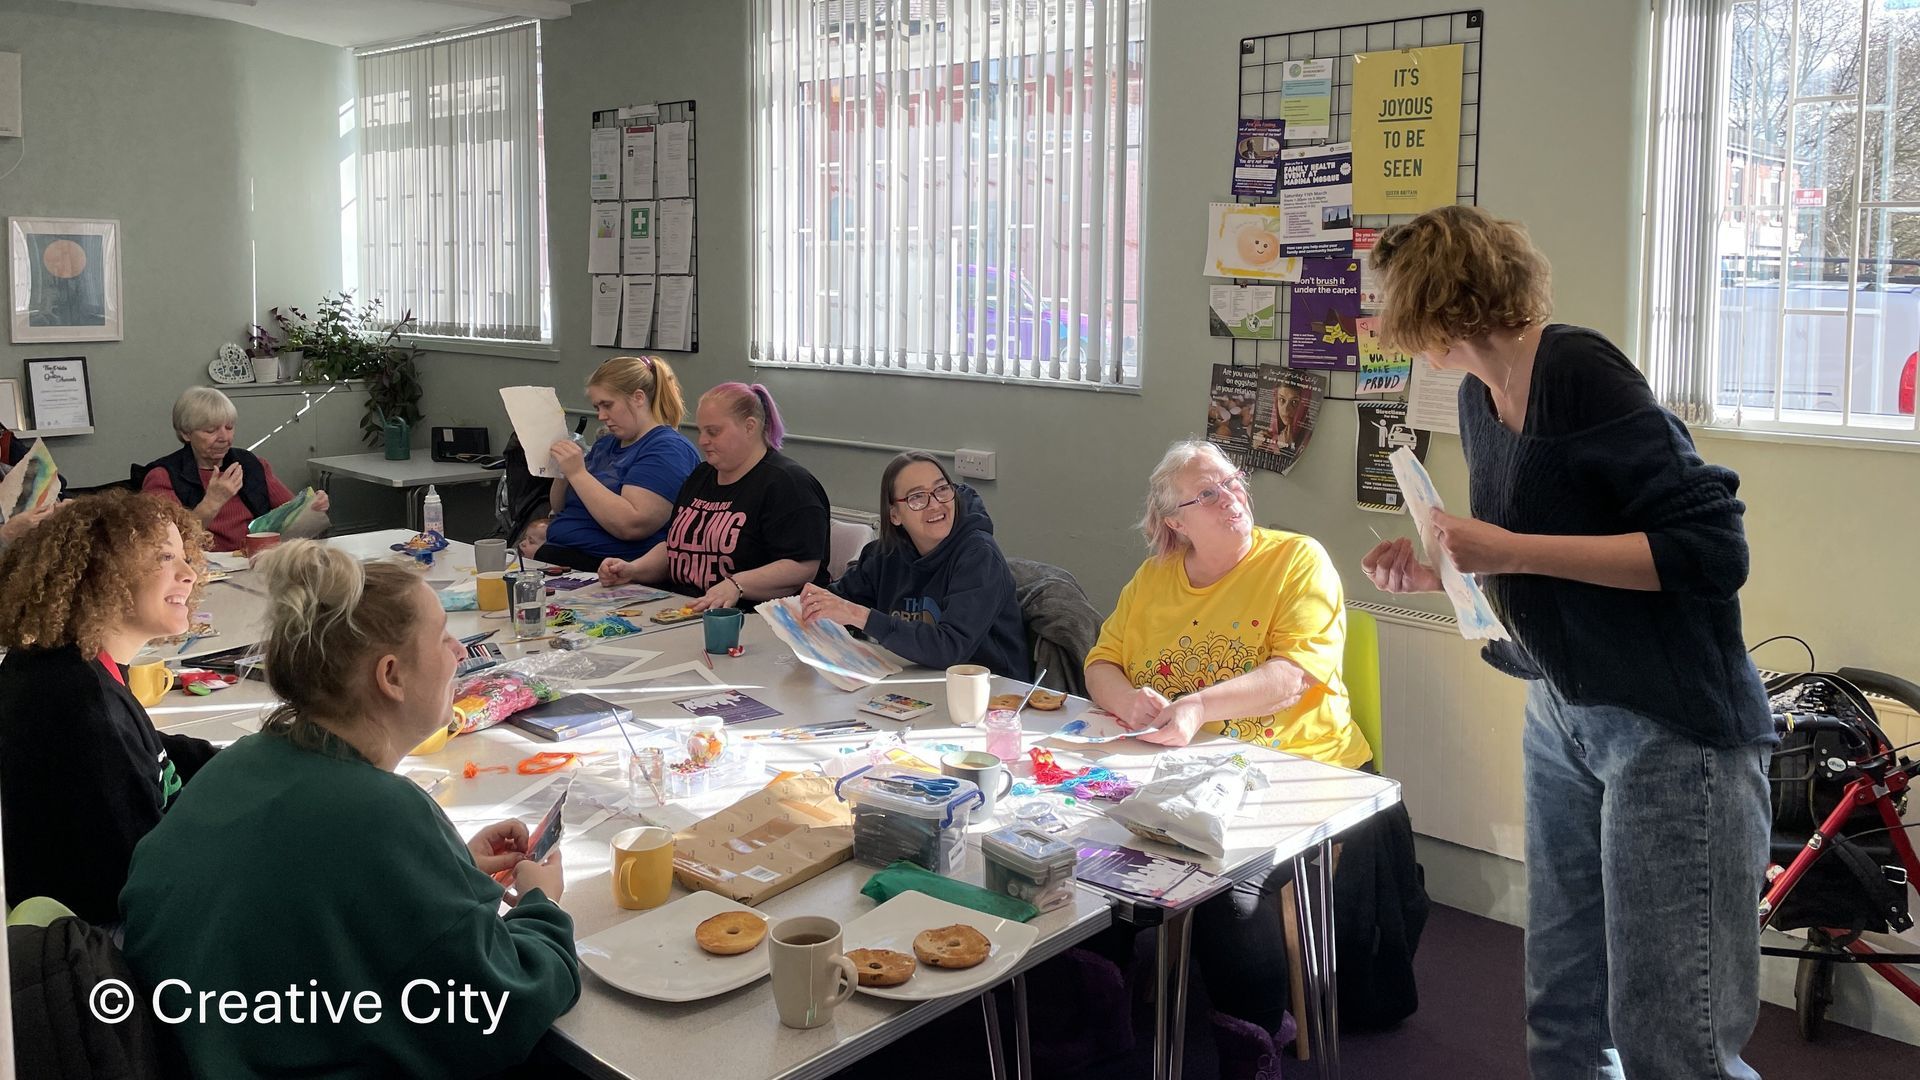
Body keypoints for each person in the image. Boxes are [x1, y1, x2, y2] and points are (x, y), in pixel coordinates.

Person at [1359, 204, 1772, 1080]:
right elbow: (1547, 557)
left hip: (1670, 729)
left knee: (1672, 1038)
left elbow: (1711, 548)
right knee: (1562, 1010)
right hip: (1562, 713)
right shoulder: (1476, 398)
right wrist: (1445, 573)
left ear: (1437, 304)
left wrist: (1504, 549)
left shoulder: (1578, 369)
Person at [121, 541, 578, 1076]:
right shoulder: (379, 812)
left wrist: (440, 872)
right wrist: (542, 908)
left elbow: (304, 895)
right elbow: (500, 1007)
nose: (459, 652)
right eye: (441, 637)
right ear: (391, 677)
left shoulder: (241, 764)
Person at [0, 491, 216, 925]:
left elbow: (150, 749)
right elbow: (138, 883)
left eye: (183, 556)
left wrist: (253, 766)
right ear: (102, 573)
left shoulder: (68, 663)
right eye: (164, 557)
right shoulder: (82, 707)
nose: (189, 573)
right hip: (109, 941)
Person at [1086, 438, 1368, 765]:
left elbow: (1294, 677)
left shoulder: (1298, 559)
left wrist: (1200, 706)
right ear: (1176, 522)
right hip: (1180, 764)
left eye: (1232, 481)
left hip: (1301, 765)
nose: (1230, 497)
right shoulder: (1153, 577)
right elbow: (1101, 664)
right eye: (1207, 494)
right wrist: (1126, 701)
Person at [798, 452, 1030, 679]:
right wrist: (816, 606)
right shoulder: (883, 555)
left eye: (941, 489)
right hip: (913, 680)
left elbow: (949, 649)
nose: (935, 505)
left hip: (991, 694)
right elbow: (838, 602)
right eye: (917, 497)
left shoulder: (979, 557)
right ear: (895, 515)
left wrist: (859, 615)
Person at [598, 382, 830, 609]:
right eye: (701, 431)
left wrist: (737, 585)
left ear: (750, 427)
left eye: (714, 432)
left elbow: (802, 567)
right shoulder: (702, 475)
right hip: (684, 607)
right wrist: (634, 570)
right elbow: (677, 548)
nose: (702, 441)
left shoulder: (788, 484)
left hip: (750, 616)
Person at [524, 355, 701, 571]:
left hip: (608, 568)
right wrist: (563, 473)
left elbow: (632, 524)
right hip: (561, 555)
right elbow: (560, 507)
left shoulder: (667, 449)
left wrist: (578, 473)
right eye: (597, 407)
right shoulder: (607, 445)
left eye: (607, 405)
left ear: (638, 398)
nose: (601, 416)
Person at [141, 387, 329, 551]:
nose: (224, 437)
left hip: (257, 559)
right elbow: (165, 541)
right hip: (202, 569)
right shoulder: (163, 476)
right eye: (210, 431)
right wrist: (213, 502)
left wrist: (311, 507)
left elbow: (290, 513)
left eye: (229, 428)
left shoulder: (252, 464)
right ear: (186, 433)